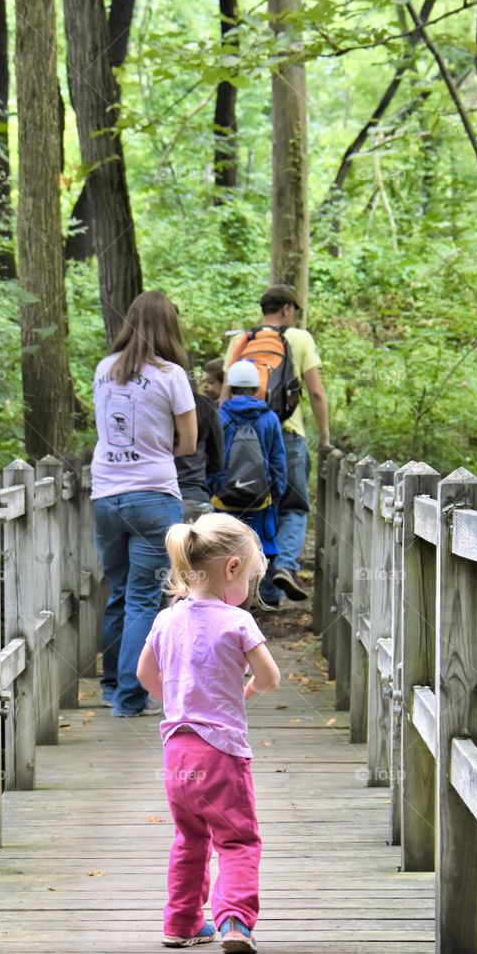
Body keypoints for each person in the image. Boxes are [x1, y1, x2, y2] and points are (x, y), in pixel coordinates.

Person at [137, 513, 281, 954]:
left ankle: (181, 923)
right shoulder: (236, 622)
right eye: (252, 579)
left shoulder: (166, 620)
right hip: (222, 752)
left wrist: (177, 700)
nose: (249, 591)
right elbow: (270, 677)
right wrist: (247, 691)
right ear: (232, 568)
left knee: (189, 838)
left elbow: (145, 673)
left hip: (177, 751)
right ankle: (235, 921)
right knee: (237, 838)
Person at [91, 290, 197, 718]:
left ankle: (112, 684)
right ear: (169, 326)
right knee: (142, 599)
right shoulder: (172, 374)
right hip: (153, 497)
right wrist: (157, 450)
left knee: (118, 593)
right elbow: (188, 443)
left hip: (105, 497)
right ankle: (130, 698)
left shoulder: (104, 370)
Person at [222, 285, 330, 605]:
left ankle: (259, 591)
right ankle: (284, 566)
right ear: (286, 309)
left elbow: (225, 393)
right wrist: (324, 436)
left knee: (255, 505)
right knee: (293, 506)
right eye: (294, 309)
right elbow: (316, 392)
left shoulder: (241, 339)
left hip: (244, 435)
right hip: (287, 432)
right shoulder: (300, 338)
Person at [212, 360, 286, 567]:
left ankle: (226, 596)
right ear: (256, 388)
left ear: (230, 386)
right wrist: (275, 494)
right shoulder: (269, 418)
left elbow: (212, 458)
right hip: (260, 499)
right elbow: (278, 460)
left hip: (223, 500)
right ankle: (261, 595)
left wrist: (213, 489)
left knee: (224, 552)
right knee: (258, 551)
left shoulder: (220, 416)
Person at [175, 379, 224, 522]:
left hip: (155, 498)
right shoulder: (206, 406)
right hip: (194, 496)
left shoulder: (153, 403)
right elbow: (217, 462)